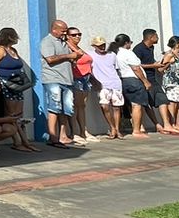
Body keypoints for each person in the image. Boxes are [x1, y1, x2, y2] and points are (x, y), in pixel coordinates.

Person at [38, 18, 78, 147]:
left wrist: (71, 49)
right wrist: (68, 56)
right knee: (54, 107)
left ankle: (63, 135)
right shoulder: (47, 41)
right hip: (53, 78)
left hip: (66, 79)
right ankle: (53, 136)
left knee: (67, 109)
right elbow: (50, 59)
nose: (65, 34)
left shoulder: (64, 42)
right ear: (54, 30)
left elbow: (79, 54)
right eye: (62, 31)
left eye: (66, 31)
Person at [0, 27, 30, 131]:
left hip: (17, 85)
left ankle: (23, 141)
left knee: (19, 113)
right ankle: (18, 140)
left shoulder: (13, 50)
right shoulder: (0, 50)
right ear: (9, 37)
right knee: (11, 114)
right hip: (6, 85)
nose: (17, 38)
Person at [112, 34, 154, 137]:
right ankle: (136, 130)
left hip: (124, 80)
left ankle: (138, 127)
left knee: (132, 105)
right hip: (133, 81)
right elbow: (136, 68)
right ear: (126, 43)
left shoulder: (116, 54)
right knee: (137, 105)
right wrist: (145, 81)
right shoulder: (128, 53)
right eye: (130, 42)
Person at [87, 36, 126, 139]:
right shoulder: (90, 55)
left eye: (103, 45)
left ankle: (117, 129)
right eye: (99, 45)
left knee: (117, 107)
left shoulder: (112, 55)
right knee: (105, 106)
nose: (102, 47)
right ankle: (112, 127)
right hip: (102, 84)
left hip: (115, 83)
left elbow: (115, 68)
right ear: (94, 46)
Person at [157, 36, 179, 136]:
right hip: (173, 82)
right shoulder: (169, 54)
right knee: (173, 102)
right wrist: (169, 63)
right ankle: (171, 123)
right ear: (177, 44)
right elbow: (160, 69)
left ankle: (178, 122)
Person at [66, 27, 95, 144]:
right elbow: (77, 56)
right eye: (74, 35)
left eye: (79, 34)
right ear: (68, 36)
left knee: (82, 106)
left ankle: (84, 131)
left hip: (86, 78)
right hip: (77, 78)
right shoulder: (68, 47)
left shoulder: (78, 47)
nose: (77, 37)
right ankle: (74, 133)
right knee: (76, 106)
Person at [131, 29, 163, 133]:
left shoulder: (151, 47)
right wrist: (153, 66)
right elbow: (137, 65)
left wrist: (157, 65)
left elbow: (149, 61)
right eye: (156, 36)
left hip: (153, 78)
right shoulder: (138, 49)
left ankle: (164, 124)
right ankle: (142, 126)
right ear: (151, 37)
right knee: (145, 104)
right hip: (143, 79)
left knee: (162, 100)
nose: (158, 38)